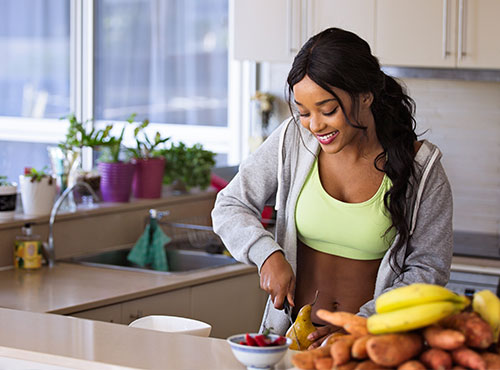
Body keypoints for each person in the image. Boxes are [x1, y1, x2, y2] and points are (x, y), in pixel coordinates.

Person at [211, 27, 453, 348]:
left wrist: (360, 325)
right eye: (304, 112)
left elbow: (428, 269)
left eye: (328, 110)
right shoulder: (293, 139)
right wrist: (267, 254)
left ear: (366, 95)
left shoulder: (421, 167)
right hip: (292, 342)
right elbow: (230, 205)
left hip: (371, 346)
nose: (315, 126)